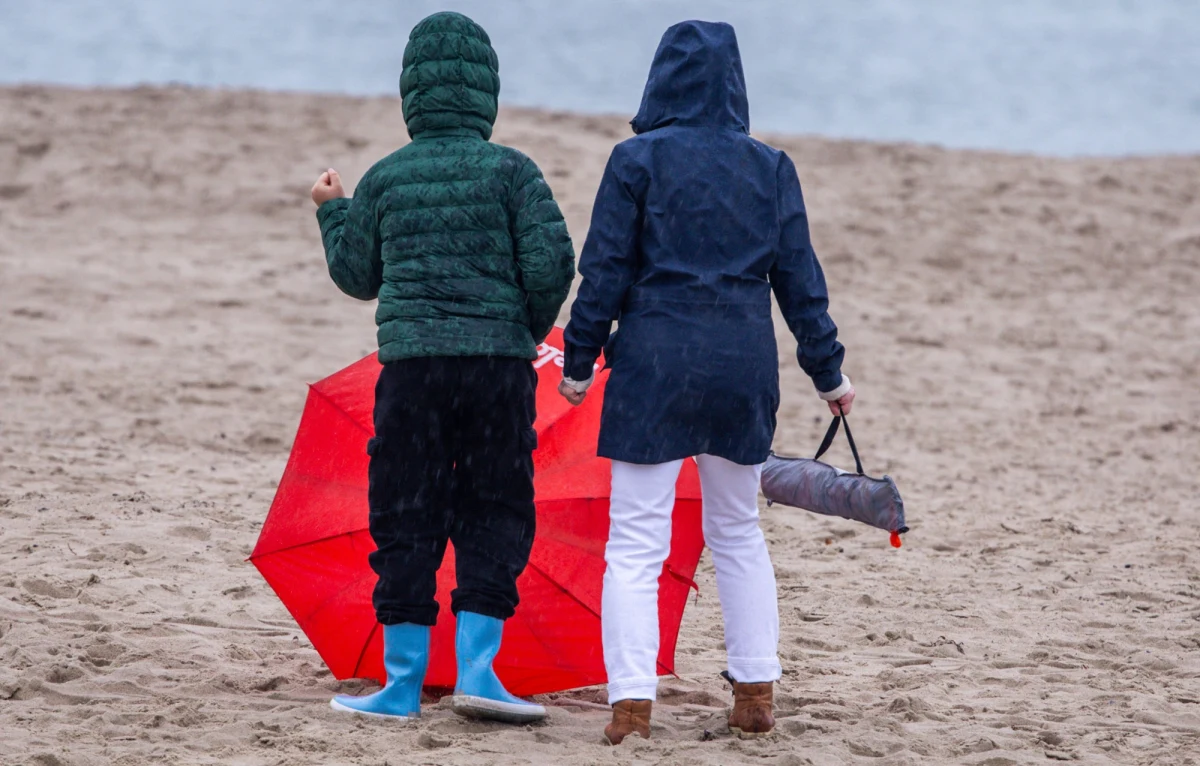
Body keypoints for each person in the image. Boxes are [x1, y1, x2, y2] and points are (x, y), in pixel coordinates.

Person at [559, 20, 855, 744]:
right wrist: (829, 373)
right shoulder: (770, 166)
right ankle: (754, 694)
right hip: (739, 363)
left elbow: (603, 272)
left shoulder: (635, 160)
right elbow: (799, 283)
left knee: (635, 542)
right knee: (737, 532)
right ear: (734, 84)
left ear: (662, 79)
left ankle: (631, 705)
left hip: (655, 361)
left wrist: (577, 360)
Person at [311, 11, 575, 723]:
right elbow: (554, 264)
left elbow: (357, 276)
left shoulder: (386, 178)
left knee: (405, 508)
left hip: (413, 372)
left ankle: (400, 684)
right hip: (497, 371)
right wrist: (526, 328)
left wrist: (333, 211)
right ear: (487, 93)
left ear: (411, 96)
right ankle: (480, 673)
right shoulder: (515, 172)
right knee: (495, 503)